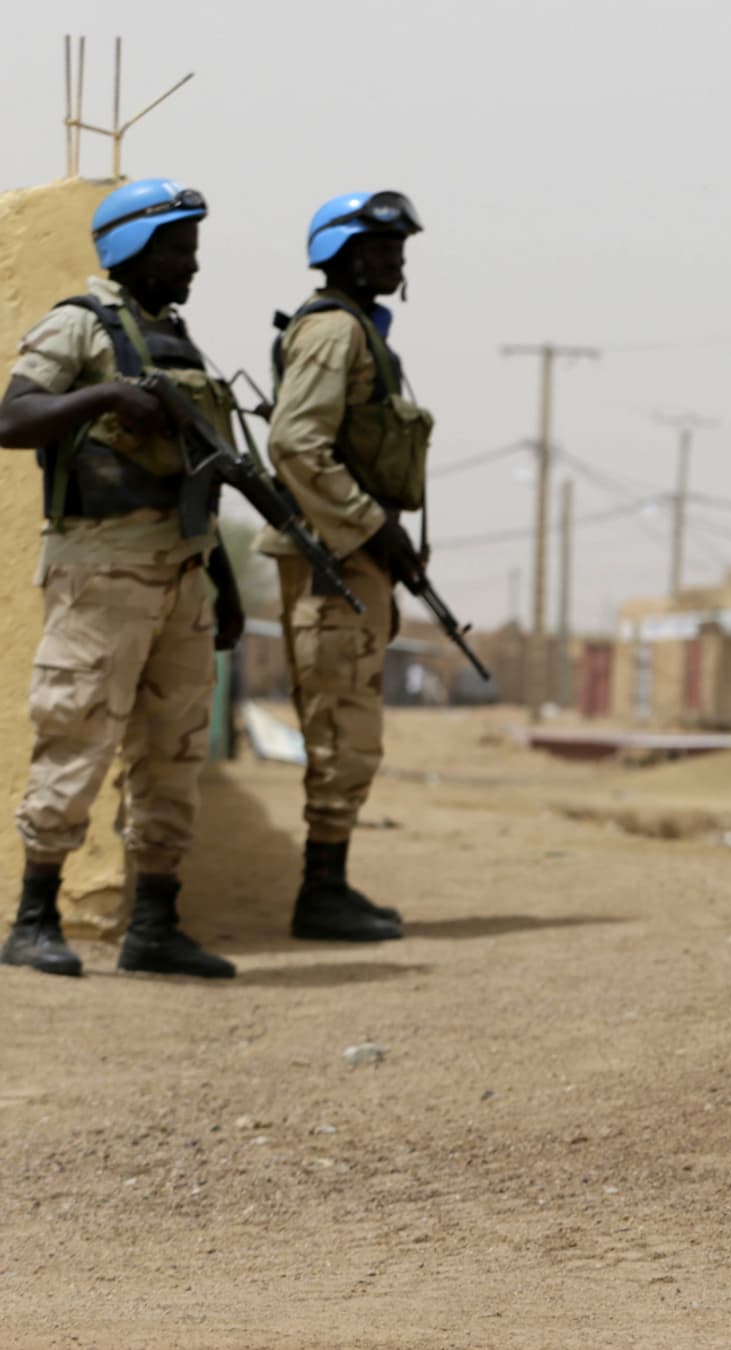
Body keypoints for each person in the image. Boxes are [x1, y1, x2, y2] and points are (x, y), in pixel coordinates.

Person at [0, 178, 244, 979]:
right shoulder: (79, 325)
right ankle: (34, 921)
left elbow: (197, 475)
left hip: (182, 572)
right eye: (178, 250)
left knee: (173, 754)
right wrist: (104, 394)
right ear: (134, 248)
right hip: (102, 573)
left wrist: (222, 580)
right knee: (75, 740)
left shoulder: (177, 340)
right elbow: (10, 419)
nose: (192, 265)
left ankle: (154, 927)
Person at [260, 191, 434, 943]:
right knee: (340, 728)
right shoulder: (334, 330)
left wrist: (386, 542)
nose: (395, 259)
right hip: (331, 556)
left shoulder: (360, 330)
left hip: (353, 552)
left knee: (351, 724)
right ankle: (320, 895)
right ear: (340, 254)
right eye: (380, 246)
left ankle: (329, 884)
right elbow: (295, 443)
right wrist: (371, 527)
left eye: (399, 247)